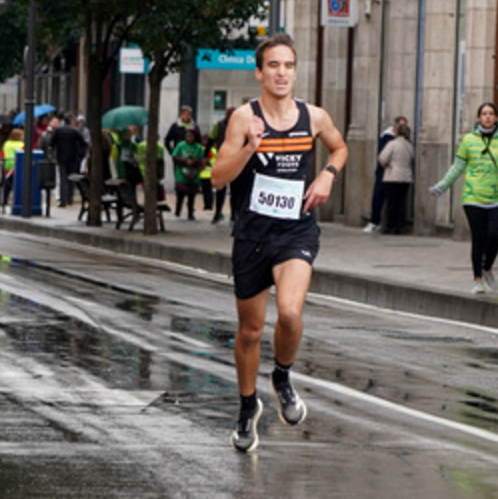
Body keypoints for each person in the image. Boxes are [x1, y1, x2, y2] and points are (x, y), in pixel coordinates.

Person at [211, 33, 348, 453]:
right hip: (253, 233)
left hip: (296, 230)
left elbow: (340, 147)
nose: (282, 73)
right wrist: (250, 147)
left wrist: (327, 174)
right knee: (250, 331)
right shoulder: (242, 119)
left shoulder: (314, 117)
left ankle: (283, 376)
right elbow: (218, 177)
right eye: (273, 65)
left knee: (289, 312)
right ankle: (247, 405)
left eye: (288, 65)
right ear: (259, 72)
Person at [429, 102, 498, 295]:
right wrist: (442, 186)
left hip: (496, 197)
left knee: (496, 235)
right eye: (484, 114)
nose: (487, 117)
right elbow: (457, 167)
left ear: (496, 118)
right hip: (473, 197)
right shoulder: (468, 140)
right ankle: (477, 279)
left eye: (491, 114)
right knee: (479, 238)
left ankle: (487, 268)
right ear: (478, 118)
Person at [365, 115, 407, 232]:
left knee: (394, 201)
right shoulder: (387, 138)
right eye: (401, 125)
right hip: (387, 172)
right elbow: (383, 157)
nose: (403, 127)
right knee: (380, 196)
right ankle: (375, 221)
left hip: (394, 174)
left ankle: (389, 224)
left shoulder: (400, 141)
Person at [377, 120, 415, 234]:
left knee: (391, 203)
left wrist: (388, 165)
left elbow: (382, 158)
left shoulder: (392, 144)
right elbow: (411, 159)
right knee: (401, 203)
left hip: (392, 177)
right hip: (405, 178)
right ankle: (400, 226)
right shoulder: (410, 146)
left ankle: (390, 226)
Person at [52, 113, 87, 207]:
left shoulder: (58, 130)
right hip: (73, 158)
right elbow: (83, 143)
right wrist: (80, 154)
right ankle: (69, 199)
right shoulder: (75, 131)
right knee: (71, 178)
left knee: (63, 178)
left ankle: (63, 200)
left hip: (61, 157)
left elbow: (52, 143)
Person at [171, 128, 204, 219]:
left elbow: (201, 160)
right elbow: (174, 157)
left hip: (193, 174)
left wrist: (194, 162)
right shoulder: (180, 146)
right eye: (188, 136)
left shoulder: (198, 147)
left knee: (192, 195)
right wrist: (185, 161)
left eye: (191, 136)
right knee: (180, 194)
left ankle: (190, 212)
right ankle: (178, 211)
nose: (190, 138)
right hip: (182, 174)